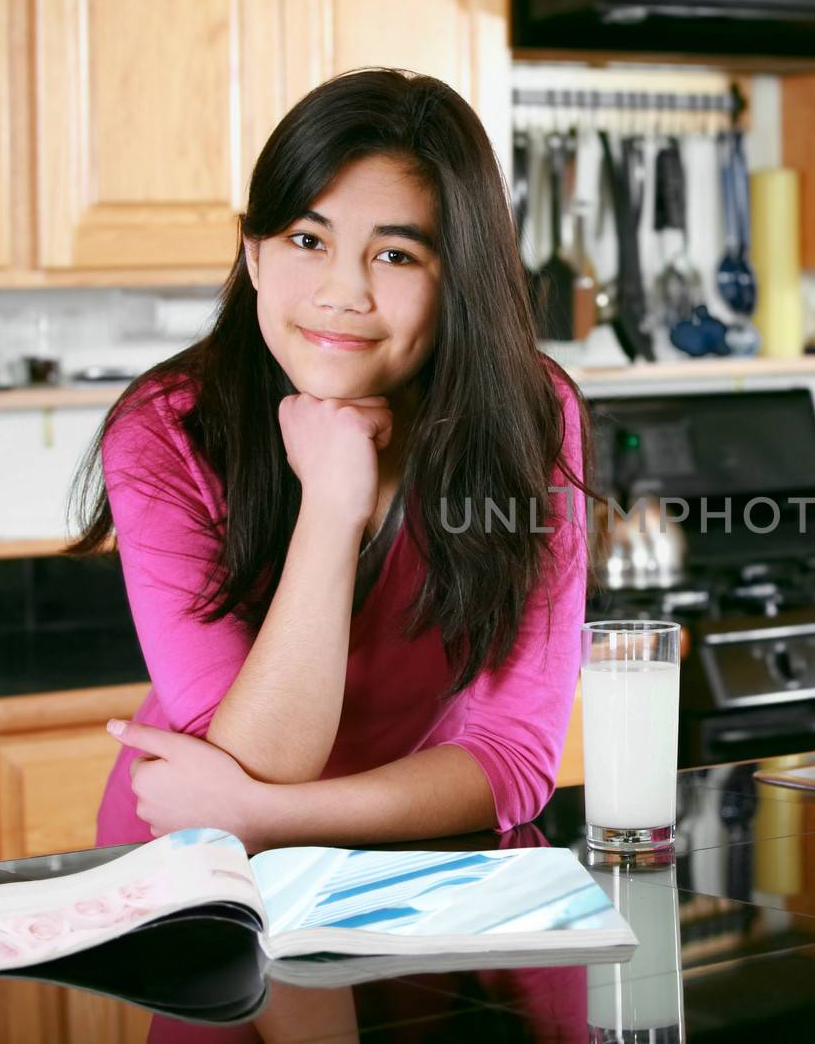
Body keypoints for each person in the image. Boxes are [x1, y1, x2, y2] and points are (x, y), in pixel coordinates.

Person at [64, 68, 591, 853]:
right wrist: (334, 500)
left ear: (461, 281)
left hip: (407, 864)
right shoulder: (164, 429)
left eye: (398, 256)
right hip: (192, 869)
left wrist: (274, 814)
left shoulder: (530, 415)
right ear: (253, 254)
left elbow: (515, 761)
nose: (343, 292)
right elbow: (261, 760)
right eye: (307, 241)